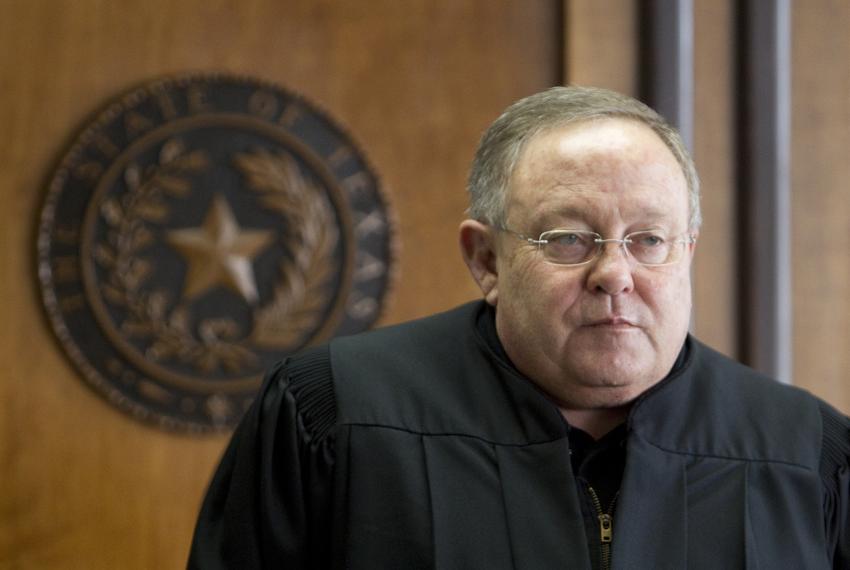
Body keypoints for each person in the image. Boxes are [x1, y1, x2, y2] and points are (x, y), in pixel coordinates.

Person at [188, 86, 849, 569]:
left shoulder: (806, 454)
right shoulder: (332, 416)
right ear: (486, 258)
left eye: (649, 240)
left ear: (689, 252)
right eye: (569, 238)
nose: (614, 273)